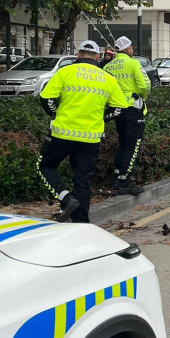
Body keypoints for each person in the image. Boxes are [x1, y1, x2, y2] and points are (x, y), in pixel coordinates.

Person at [37, 40, 130, 223]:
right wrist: (101, 117)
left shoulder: (65, 72)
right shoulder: (108, 78)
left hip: (62, 133)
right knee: (83, 182)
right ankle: (81, 225)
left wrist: (55, 114)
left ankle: (65, 197)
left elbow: (46, 98)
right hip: (90, 137)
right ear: (97, 57)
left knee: (44, 165)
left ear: (78, 55)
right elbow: (119, 107)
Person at [104, 35, 151, 195]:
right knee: (133, 146)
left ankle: (117, 177)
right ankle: (125, 181)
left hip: (116, 110)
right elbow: (145, 85)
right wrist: (142, 97)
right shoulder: (133, 63)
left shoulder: (108, 67)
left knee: (123, 143)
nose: (132, 49)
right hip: (132, 109)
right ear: (128, 49)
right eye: (131, 47)